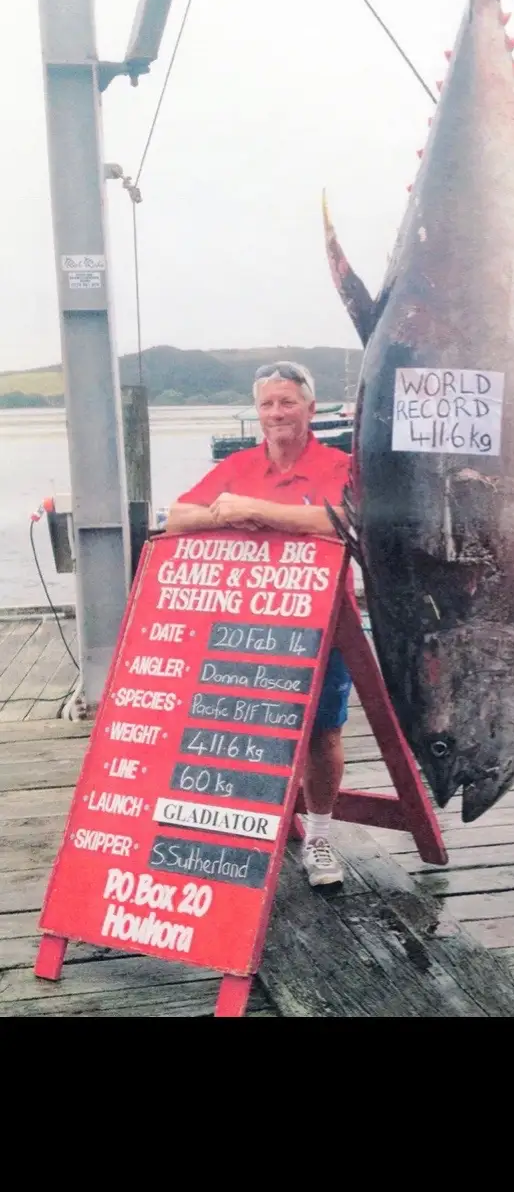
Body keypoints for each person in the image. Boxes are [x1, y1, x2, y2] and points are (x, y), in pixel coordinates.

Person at [165, 361, 352, 891]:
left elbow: (347, 519)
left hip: (324, 623)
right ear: (258, 412)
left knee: (322, 732)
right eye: (268, 404)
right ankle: (241, 835)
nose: (277, 413)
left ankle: (317, 834)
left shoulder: (340, 463)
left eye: (288, 402)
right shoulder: (239, 463)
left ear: (311, 409)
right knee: (238, 728)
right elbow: (177, 516)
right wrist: (222, 515)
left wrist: (258, 510)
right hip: (245, 622)